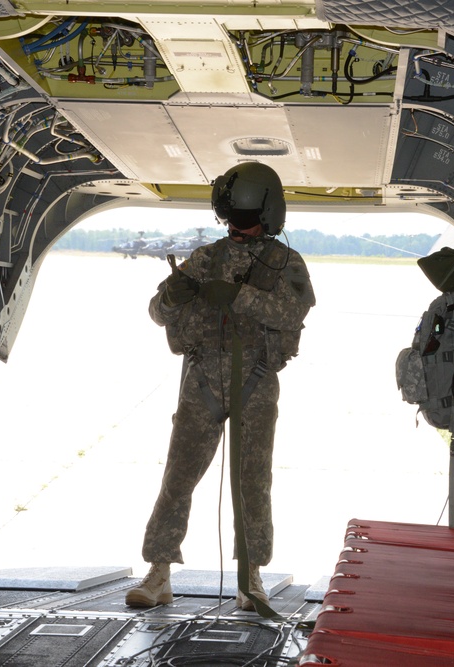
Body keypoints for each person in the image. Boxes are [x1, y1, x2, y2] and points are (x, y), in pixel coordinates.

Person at [126, 161, 315, 612]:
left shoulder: (286, 263)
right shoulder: (206, 258)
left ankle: (251, 576)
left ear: (267, 217)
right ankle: (159, 573)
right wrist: (174, 293)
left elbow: (292, 315)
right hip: (202, 383)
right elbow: (157, 312)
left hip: (255, 384)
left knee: (254, 483)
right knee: (179, 478)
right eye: (232, 219)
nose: (238, 229)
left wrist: (238, 296)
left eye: (246, 221)